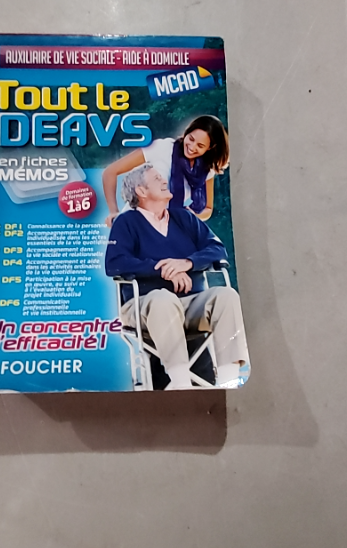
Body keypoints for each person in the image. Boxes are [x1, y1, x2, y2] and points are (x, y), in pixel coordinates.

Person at [105, 163, 249, 390]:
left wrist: (186, 263)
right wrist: (162, 268)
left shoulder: (184, 218)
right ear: (141, 191)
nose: (165, 181)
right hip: (144, 306)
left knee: (226, 296)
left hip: (189, 304)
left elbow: (217, 249)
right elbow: (115, 263)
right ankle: (181, 384)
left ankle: (228, 380)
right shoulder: (126, 222)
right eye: (156, 179)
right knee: (163, 298)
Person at [102, 115, 229, 227]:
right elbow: (110, 172)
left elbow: (207, 209)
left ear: (210, 148)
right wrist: (113, 211)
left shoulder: (207, 170)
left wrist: (192, 216)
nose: (192, 147)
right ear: (187, 132)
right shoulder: (162, 148)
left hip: (168, 232)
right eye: (191, 139)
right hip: (134, 225)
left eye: (200, 146)